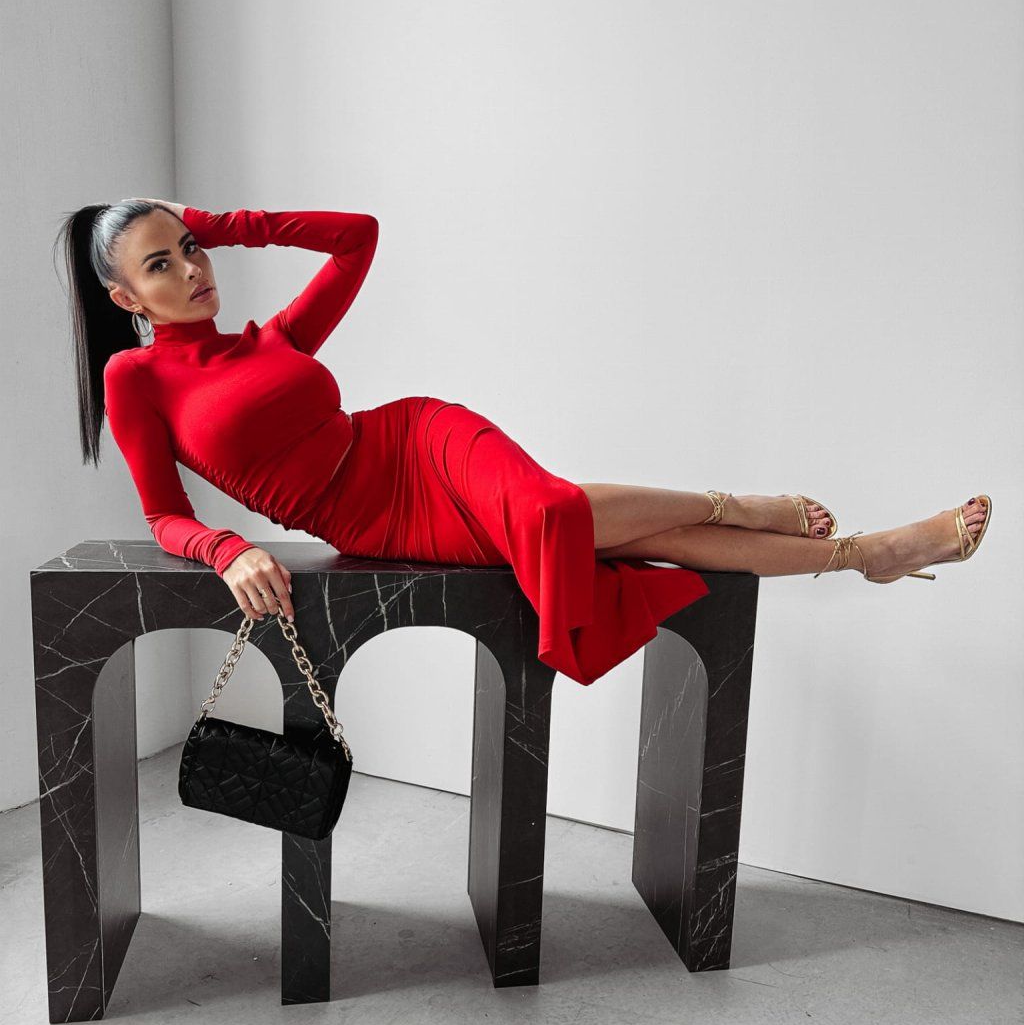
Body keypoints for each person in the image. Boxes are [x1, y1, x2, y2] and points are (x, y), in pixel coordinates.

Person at [55, 199, 992, 687]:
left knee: (557, 510)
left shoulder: (274, 340)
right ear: (126, 298)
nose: (192, 268)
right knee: (574, 524)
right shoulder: (136, 377)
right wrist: (227, 549)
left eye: (192, 247)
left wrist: (228, 223)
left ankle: (824, 537)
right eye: (162, 264)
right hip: (378, 518)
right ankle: (851, 548)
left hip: (416, 437)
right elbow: (165, 514)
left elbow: (358, 238)